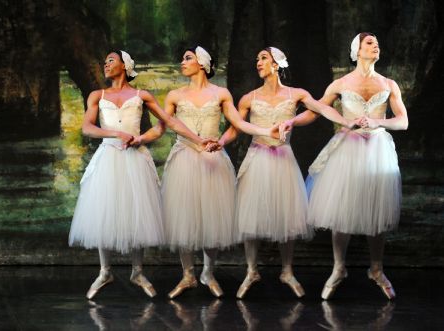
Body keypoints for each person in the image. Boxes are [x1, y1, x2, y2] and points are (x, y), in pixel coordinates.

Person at [69, 50, 212, 299]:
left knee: (138, 211)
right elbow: (87, 128)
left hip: (135, 158)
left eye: (111, 61)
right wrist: (116, 134)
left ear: (125, 65)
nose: (106, 64)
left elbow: (169, 121)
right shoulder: (97, 95)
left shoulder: (141, 95)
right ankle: (105, 271)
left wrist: (199, 140)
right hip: (109, 157)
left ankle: (137, 271)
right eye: (104, 62)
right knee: (104, 211)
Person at [281, 33, 408, 300]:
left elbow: (403, 121)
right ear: (357, 50)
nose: (376, 46)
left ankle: (376, 269)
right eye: (370, 43)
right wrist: (291, 121)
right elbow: (316, 109)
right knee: (342, 209)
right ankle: (339, 268)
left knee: (378, 210)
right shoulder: (340, 83)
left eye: (376, 43)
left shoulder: (388, 83)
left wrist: (378, 123)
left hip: (377, 150)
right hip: (347, 150)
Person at [218, 47, 353, 299]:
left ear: (277, 64)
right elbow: (235, 126)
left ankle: (287, 271)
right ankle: (251, 270)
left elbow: (321, 109)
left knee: (287, 214)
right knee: (251, 216)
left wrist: (346, 122)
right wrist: (219, 142)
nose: (258, 62)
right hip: (258, 157)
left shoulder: (297, 94)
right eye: (256, 58)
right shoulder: (249, 98)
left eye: (263, 58)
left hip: (283, 159)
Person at [157, 46, 279, 299]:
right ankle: (188, 274)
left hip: (213, 159)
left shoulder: (221, 93)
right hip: (184, 159)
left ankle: (208, 273)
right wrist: (137, 138)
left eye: (187, 58)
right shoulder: (175, 95)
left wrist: (265, 132)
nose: (182, 62)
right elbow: (165, 125)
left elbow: (238, 123)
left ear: (202, 63)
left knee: (212, 218)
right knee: (184, 218)